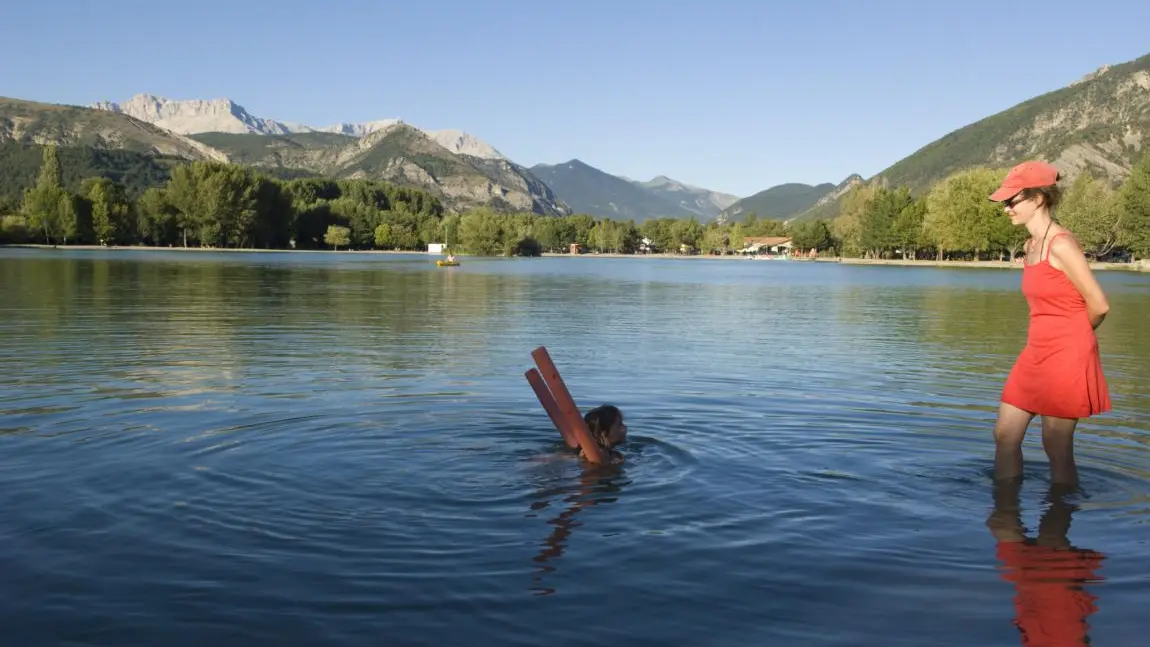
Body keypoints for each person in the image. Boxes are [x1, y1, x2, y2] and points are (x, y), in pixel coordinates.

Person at [988, 161, 1111, 486]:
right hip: (1035, 353)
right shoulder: (1030, 247)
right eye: (1004, 202)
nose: (1006, 209)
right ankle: (1005, 519)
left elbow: (1099, 304)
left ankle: (1057, 528)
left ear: (1038, 198)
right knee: (1005, 434)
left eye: (1011, 201)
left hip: (1066, 355)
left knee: (1055, 446)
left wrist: (1072, 339)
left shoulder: (1061, 245)